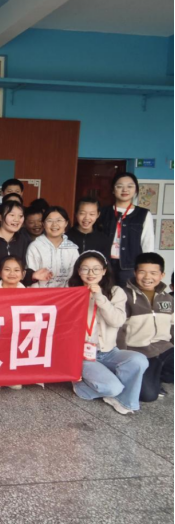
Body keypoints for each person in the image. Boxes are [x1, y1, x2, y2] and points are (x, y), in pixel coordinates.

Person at [69, 251, 149, 415]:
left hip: (110, 352)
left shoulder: (115, 292)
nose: (91, 273)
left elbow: (117, 321)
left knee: (139, 360)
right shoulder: (71, 292)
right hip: (83, 356)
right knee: (113, 387)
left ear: (104, 271)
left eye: (96, 269)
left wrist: (99, 296)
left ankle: (122, 400)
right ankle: (82, 386)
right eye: (85, 268)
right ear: (78, 271)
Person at [119, 253, 174, 403]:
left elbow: (172, 327)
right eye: (142, 272)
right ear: (135, 272)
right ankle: (146, 377)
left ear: (162, 275)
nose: (147, 277)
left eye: (153, 273)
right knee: (148, 396)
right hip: (139, 352)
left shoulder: (168, 299)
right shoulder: (123, 296)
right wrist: (122, 356)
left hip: (164, 348)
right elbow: (118, 329)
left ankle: (157, 375)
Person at [0, 201, 52, 288]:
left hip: (16, 293)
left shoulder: (24, 240)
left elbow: (23, 271)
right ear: (0, 217)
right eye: (12, 215)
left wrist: (32, 275)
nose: (16, 219)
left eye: (20, 216)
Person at [97, 173, 156, 288]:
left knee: (128, 296)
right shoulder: (103, 212)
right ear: (113, 190)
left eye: (130, 186)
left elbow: (147, 242)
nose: (125, 190)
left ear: (136, 190)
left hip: (130, 266)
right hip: (104, 264)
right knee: (103, 294)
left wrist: (146, 266)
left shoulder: (143, 214)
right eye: (119, 186)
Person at [26, 207, 80, 288]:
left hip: (67, 294)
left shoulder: (72, 248)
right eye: (50, 221)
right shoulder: (35, 247)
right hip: (41, 294)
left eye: (59, 220)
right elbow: (32, 277)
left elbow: (75, 277)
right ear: (43, 224)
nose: (54, 224)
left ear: (66, 223)